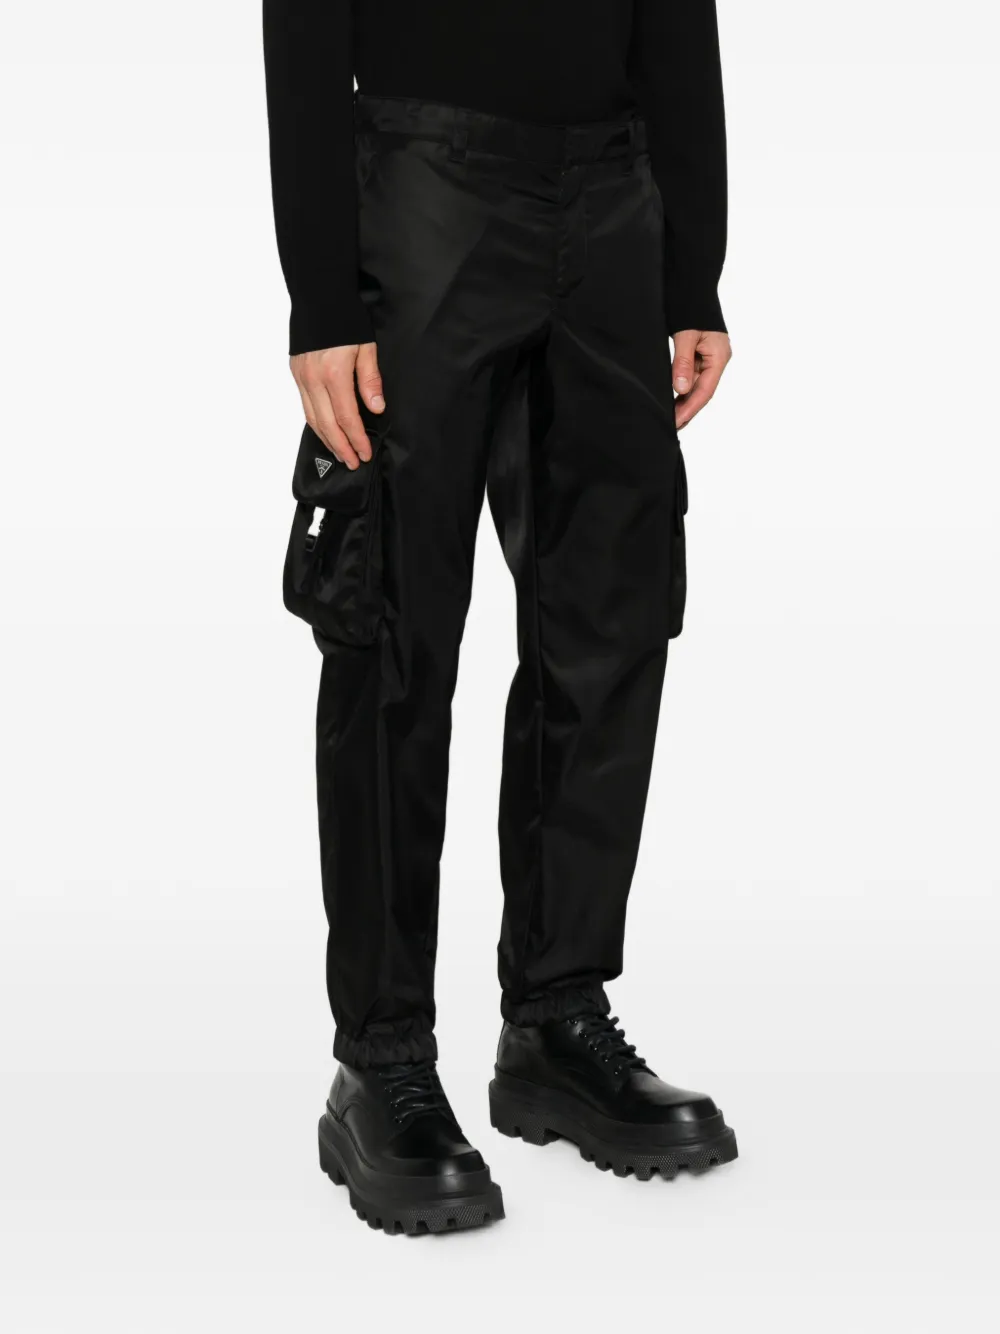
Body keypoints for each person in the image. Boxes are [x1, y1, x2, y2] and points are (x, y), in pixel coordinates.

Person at [263, 0, 737, 1236]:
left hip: (616, 188)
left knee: (609, 625)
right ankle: (380, 1059)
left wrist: (694, 263)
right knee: (393, 626)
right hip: (424, 182)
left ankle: (554, 1020)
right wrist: (322, 295)